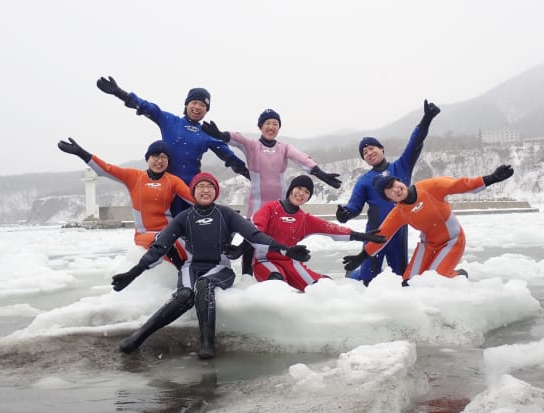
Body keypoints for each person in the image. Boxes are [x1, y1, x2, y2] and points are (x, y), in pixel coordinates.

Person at [110, 172, 311, 359]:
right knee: (184, 295)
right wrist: (132, 273)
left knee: (204, 285)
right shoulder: (184, 217)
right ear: (193, 191)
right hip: (191, 267)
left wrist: (286, 249)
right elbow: (160, 247)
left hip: (220, 268)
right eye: (200, 186)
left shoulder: (226, 214)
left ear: (216, 192)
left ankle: (207, 344)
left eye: (210, 187)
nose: (205, 190)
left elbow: (255, 236)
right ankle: (138, 337)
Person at [201, 108, 342, 274]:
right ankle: (247, 276)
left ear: (279, 128)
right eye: (267, 123)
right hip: (257, 205)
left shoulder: (284, 148)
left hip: (280, 206)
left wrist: (321, 173)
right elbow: (238, 139)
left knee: (282, 240)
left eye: (275, 124)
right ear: (260, 126)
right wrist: (221, 135)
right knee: (251, 237)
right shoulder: (253, 146)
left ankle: (284, 271)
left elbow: (301, 158)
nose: (271, 127)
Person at [96, 76, 250, 216]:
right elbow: (148, 108)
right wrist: (120, 93)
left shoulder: (206, 132)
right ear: (187, 104)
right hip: (164, 185)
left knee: (191, 228)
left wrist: (251, 176)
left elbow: (229, 157)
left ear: (206, 110)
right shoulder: (171, 121)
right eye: (194, 102)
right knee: (165, 226)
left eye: (203, 105)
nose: (197, 107)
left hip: (190, 189)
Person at [342, 165, 515, 286]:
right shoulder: (399, 213)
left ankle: (458, 274)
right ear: (390, 199)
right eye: (389, 191)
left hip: (452, 241)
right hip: (428, 245)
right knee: (408, 282)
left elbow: (462, 185)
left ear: (399, 181)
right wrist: (361, 256)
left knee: (435, 281)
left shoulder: (430, 187)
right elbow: (382, 236)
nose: (395, 189)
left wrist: (492, 178)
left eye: (393, 184)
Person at [336, 99, 441, 285]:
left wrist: (426, 120)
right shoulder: (364, 180)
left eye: (371, 148)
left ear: (381, 149)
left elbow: (414, 143)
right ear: (364, 159)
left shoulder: (401, 167)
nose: (369, 152)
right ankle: (355, 274)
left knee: (401, 279)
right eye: (365, 152)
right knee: (367, 281)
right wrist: (345, 214)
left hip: (398, 234)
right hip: (374, 234)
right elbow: (355, 206)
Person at [57, 138, 194, 267]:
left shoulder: (173, 181)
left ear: (168, 161)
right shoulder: (134, 177)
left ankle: (190, 280)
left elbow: (195, 199)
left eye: (164, 157)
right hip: (144, 235)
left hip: (169, 234)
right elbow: (106, 169)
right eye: (155, 156)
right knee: (165, 242)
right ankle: (179, 276)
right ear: (148, 159)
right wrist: (81, 153)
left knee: (192, 253)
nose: (159, 161)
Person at [251, 175, 386, 292]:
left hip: (290, 262)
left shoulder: (304, 219)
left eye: (306, 192)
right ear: (291, 189)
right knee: (277, 283)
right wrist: (284, 250)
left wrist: (362, 236)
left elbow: (331, 228)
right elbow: (255, 233)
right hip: (265, 260)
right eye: (299, 188)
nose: (301, 193)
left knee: (324, 286)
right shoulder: (270, 208)